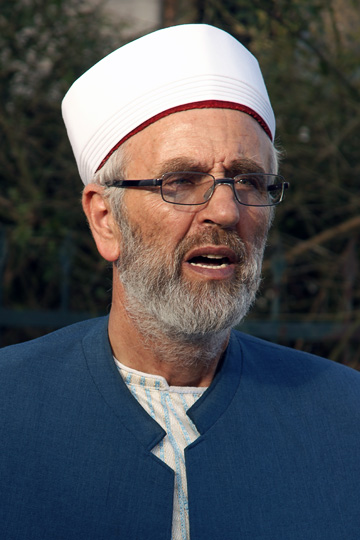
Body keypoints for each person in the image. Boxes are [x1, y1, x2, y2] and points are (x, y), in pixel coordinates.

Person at [0, 24, 359, 540]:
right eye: (181, 182)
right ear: (105, 219)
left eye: (249, 180)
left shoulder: (346, 419)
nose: (225, 209)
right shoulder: (11, 409)